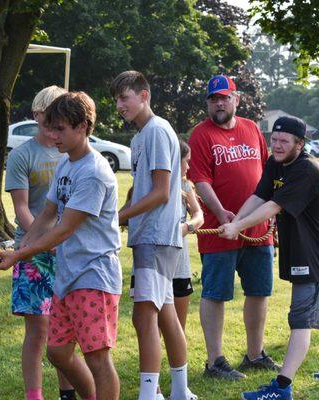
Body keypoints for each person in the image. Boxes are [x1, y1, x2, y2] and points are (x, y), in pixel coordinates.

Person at [219, 116, 319, 400]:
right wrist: (237, 218)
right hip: (298, 249)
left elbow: (274, 205)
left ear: (300, 143)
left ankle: (282, 387)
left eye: (285, 141)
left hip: (312, 253)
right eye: (274, 140)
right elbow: (260, 196)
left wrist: (238, 227)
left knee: (300, 319)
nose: (278, 145)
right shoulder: (276, 163)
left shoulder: (306, 170)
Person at [0, 92, 122, 400]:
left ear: (83, 127)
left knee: (97, 357)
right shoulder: (66, 163)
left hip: (94, 277)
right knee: (57, 351)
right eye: (50, 128)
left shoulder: (94, 173)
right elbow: (47, 214)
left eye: (60, 129)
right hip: (68, 276)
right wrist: (19, 247)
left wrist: (20, 254)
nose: (52, 135)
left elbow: (64, 229)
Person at [187, 75, 279, 381]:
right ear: (208, 103)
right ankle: (215, 362)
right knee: (215, 293)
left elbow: (266, 174)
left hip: (257, 229)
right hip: (220, 230)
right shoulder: (201, 134)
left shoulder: (251, 128)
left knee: (258, 291)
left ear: (235, 99)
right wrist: (220, 212)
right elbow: (200, 179)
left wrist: (269, 214)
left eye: (224, 98)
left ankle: (255, 354)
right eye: (213, 99)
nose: (219, 104)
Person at [112, 70, 196, 400]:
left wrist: (117, 217)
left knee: (143, 315)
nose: (120, 105)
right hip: (151, 236)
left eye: (125, 97)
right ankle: (180, 391)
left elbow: (162, 192)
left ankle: (149, 395)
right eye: (117, 99)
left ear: (144, 95)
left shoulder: (158, 131)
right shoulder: (140, 137)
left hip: (157, 236)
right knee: (165, 313)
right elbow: (146, 189)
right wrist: (125, 210)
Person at [4, 85, 76, 400]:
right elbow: (22, 208)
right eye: (49, 121)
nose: (53, 129)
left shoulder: (72, 155)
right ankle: (35, 395)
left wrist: (62, 240)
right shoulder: (22, 156)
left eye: (60, 122)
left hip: (69, 251)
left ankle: (67, 391)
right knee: (39, 330)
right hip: (32, 252)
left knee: (65, 329)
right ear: (36, 116)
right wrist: (46, 242)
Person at [173, 139, 204, 330]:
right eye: (186, 161)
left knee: (177, 326)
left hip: (179, 264)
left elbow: (198, 215)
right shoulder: (147, 183)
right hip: (152, 265)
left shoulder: (185, 186)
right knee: (151, 325)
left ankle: (177, 361)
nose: (188, 166)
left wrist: (187, 227)